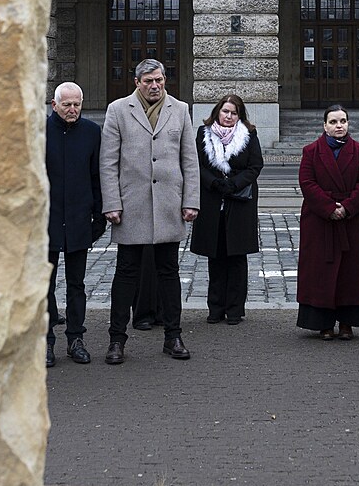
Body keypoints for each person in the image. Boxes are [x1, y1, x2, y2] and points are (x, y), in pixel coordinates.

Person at [99, 60, 200, 364]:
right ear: (136, 82)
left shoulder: (180, 110)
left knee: (168, 273)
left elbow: (190, 160)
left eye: (159, 80)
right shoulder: (118, 110)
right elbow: (108, 162)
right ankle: (117, 340)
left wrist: (191, 200)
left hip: (169, 204)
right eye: (148, 81)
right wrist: (112, 203)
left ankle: (173, 337)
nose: (154, 86)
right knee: (126, 274)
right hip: (132, 206)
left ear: (165, 80)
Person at [296, 104, 359, 340]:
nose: (338, 126)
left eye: (342, 121)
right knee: (320, 272)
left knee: (351, 273)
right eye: (333, 122)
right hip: (320, 222)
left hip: (351, 220)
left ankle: (347, 323)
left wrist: (347, 207)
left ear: (348, 124)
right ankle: (323, 323)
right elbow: (307, 183)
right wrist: (329, 208)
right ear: (324, 126)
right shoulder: (311, 151)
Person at [192, 93, 264, 325]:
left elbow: (255, 166)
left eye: (234, 113)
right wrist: (213, 182)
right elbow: (197, 164)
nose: (229, 116)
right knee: (215, 256)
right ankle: (215, 308)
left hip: (239, 201)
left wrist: (234, 183)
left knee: (236, 257)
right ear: (217, 112)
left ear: (239, 116)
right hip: (212, 201)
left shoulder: (249, 135)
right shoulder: (203, 134)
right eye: (225, 112)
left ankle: (235, 310)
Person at [45, 82, 102, 367]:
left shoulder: (92, 133)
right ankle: (46, 341)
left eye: (77, 104)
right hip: (47, 221)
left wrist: (100, 215)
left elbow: (97, 177)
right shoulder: (39, 133)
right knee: (45, 286)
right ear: (54, 105)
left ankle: (76, 339)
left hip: (80, 218)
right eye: (66, 104)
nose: (72, 109)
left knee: (77, 285)